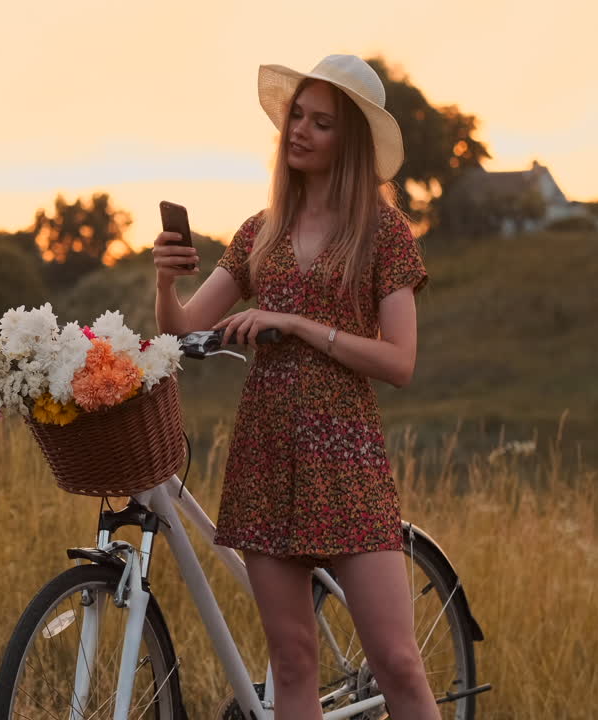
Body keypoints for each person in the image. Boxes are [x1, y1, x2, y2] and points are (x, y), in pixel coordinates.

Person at [153, 54, 438, 719]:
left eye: (322, 122)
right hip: (266, 456)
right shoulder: (261, 231)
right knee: (291, 661)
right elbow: (187, 333)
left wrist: (298, 325)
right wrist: (165, 281)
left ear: (354, 141)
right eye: (296, 117)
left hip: (349, 460)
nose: (299, 131)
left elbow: (400, 362)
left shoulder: (385, 234)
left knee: (396, 661)